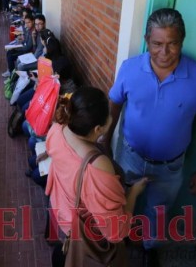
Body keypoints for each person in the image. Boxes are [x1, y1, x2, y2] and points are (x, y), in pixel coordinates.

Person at [105, 8, 196, 264]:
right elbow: (113, 105)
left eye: (173, 44)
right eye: (157, 44)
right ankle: (118, 242)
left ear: (182, 41)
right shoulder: (130, 68)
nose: (164, 52)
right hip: (129, 157)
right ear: (147, 41)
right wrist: (104, 144)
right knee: (120, 202)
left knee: (158, 212)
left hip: (170, 166)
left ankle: (149, 249)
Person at [45, 87, 148, 266]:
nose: (111, 118)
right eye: (109, 115)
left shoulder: (57, 129)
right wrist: (134, 193)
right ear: (98, 129)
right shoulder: (97, 167)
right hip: (83, 233)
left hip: (62, 210)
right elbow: (115, 232)